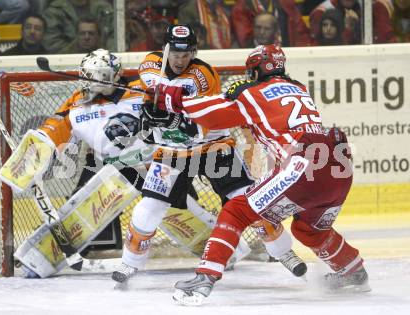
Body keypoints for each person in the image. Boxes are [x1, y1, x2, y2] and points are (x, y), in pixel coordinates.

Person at [154, 44, 370, 305]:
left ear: (255, 71)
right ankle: (354, 271)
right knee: (308, 229)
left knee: (236, 211)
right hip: (338, 164)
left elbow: (212, 116)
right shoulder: (300, 89)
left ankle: (204, 279)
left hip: (303, 162)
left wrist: (172, 99)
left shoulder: (253, 92)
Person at [111, 24, 306, 286]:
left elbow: (201, 121)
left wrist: (169, 116)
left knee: (250, 202)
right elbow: (155, 89)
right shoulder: (150, 63)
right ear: (166, 49)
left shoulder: (203, 74)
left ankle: (284, 253)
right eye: (175, 54)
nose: (180, 60)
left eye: (186, 54)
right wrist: (153, 114)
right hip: (172, 152)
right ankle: (130, 263)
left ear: (194, 52)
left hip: (213, 146)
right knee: (149, 208)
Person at [42, 0, 113, 53]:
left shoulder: (104, 8)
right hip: (68, 61)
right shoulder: (55, 11)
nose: (86, 37)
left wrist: (104, 53)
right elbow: (52, 44)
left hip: (103, 60)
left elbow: (116, 37)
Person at [231, 0, 311, 47]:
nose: (262, 32)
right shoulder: (242, 7)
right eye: (258, 28)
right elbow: (245, 41)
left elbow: (301, 33)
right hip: (255, 52)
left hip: (286, 51)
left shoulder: (286, 3)